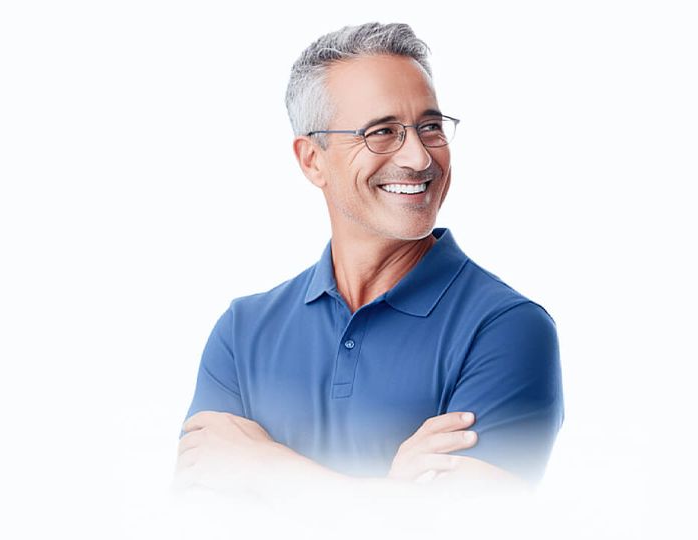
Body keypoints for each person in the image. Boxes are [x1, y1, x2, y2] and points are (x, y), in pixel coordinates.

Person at [174, 22, 564, 497]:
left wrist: (264, 469)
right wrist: (392, 496)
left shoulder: (506, 329)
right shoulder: (242, 332)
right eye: (382, 132)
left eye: (431, 127)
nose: (420, 158)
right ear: (312, 160)